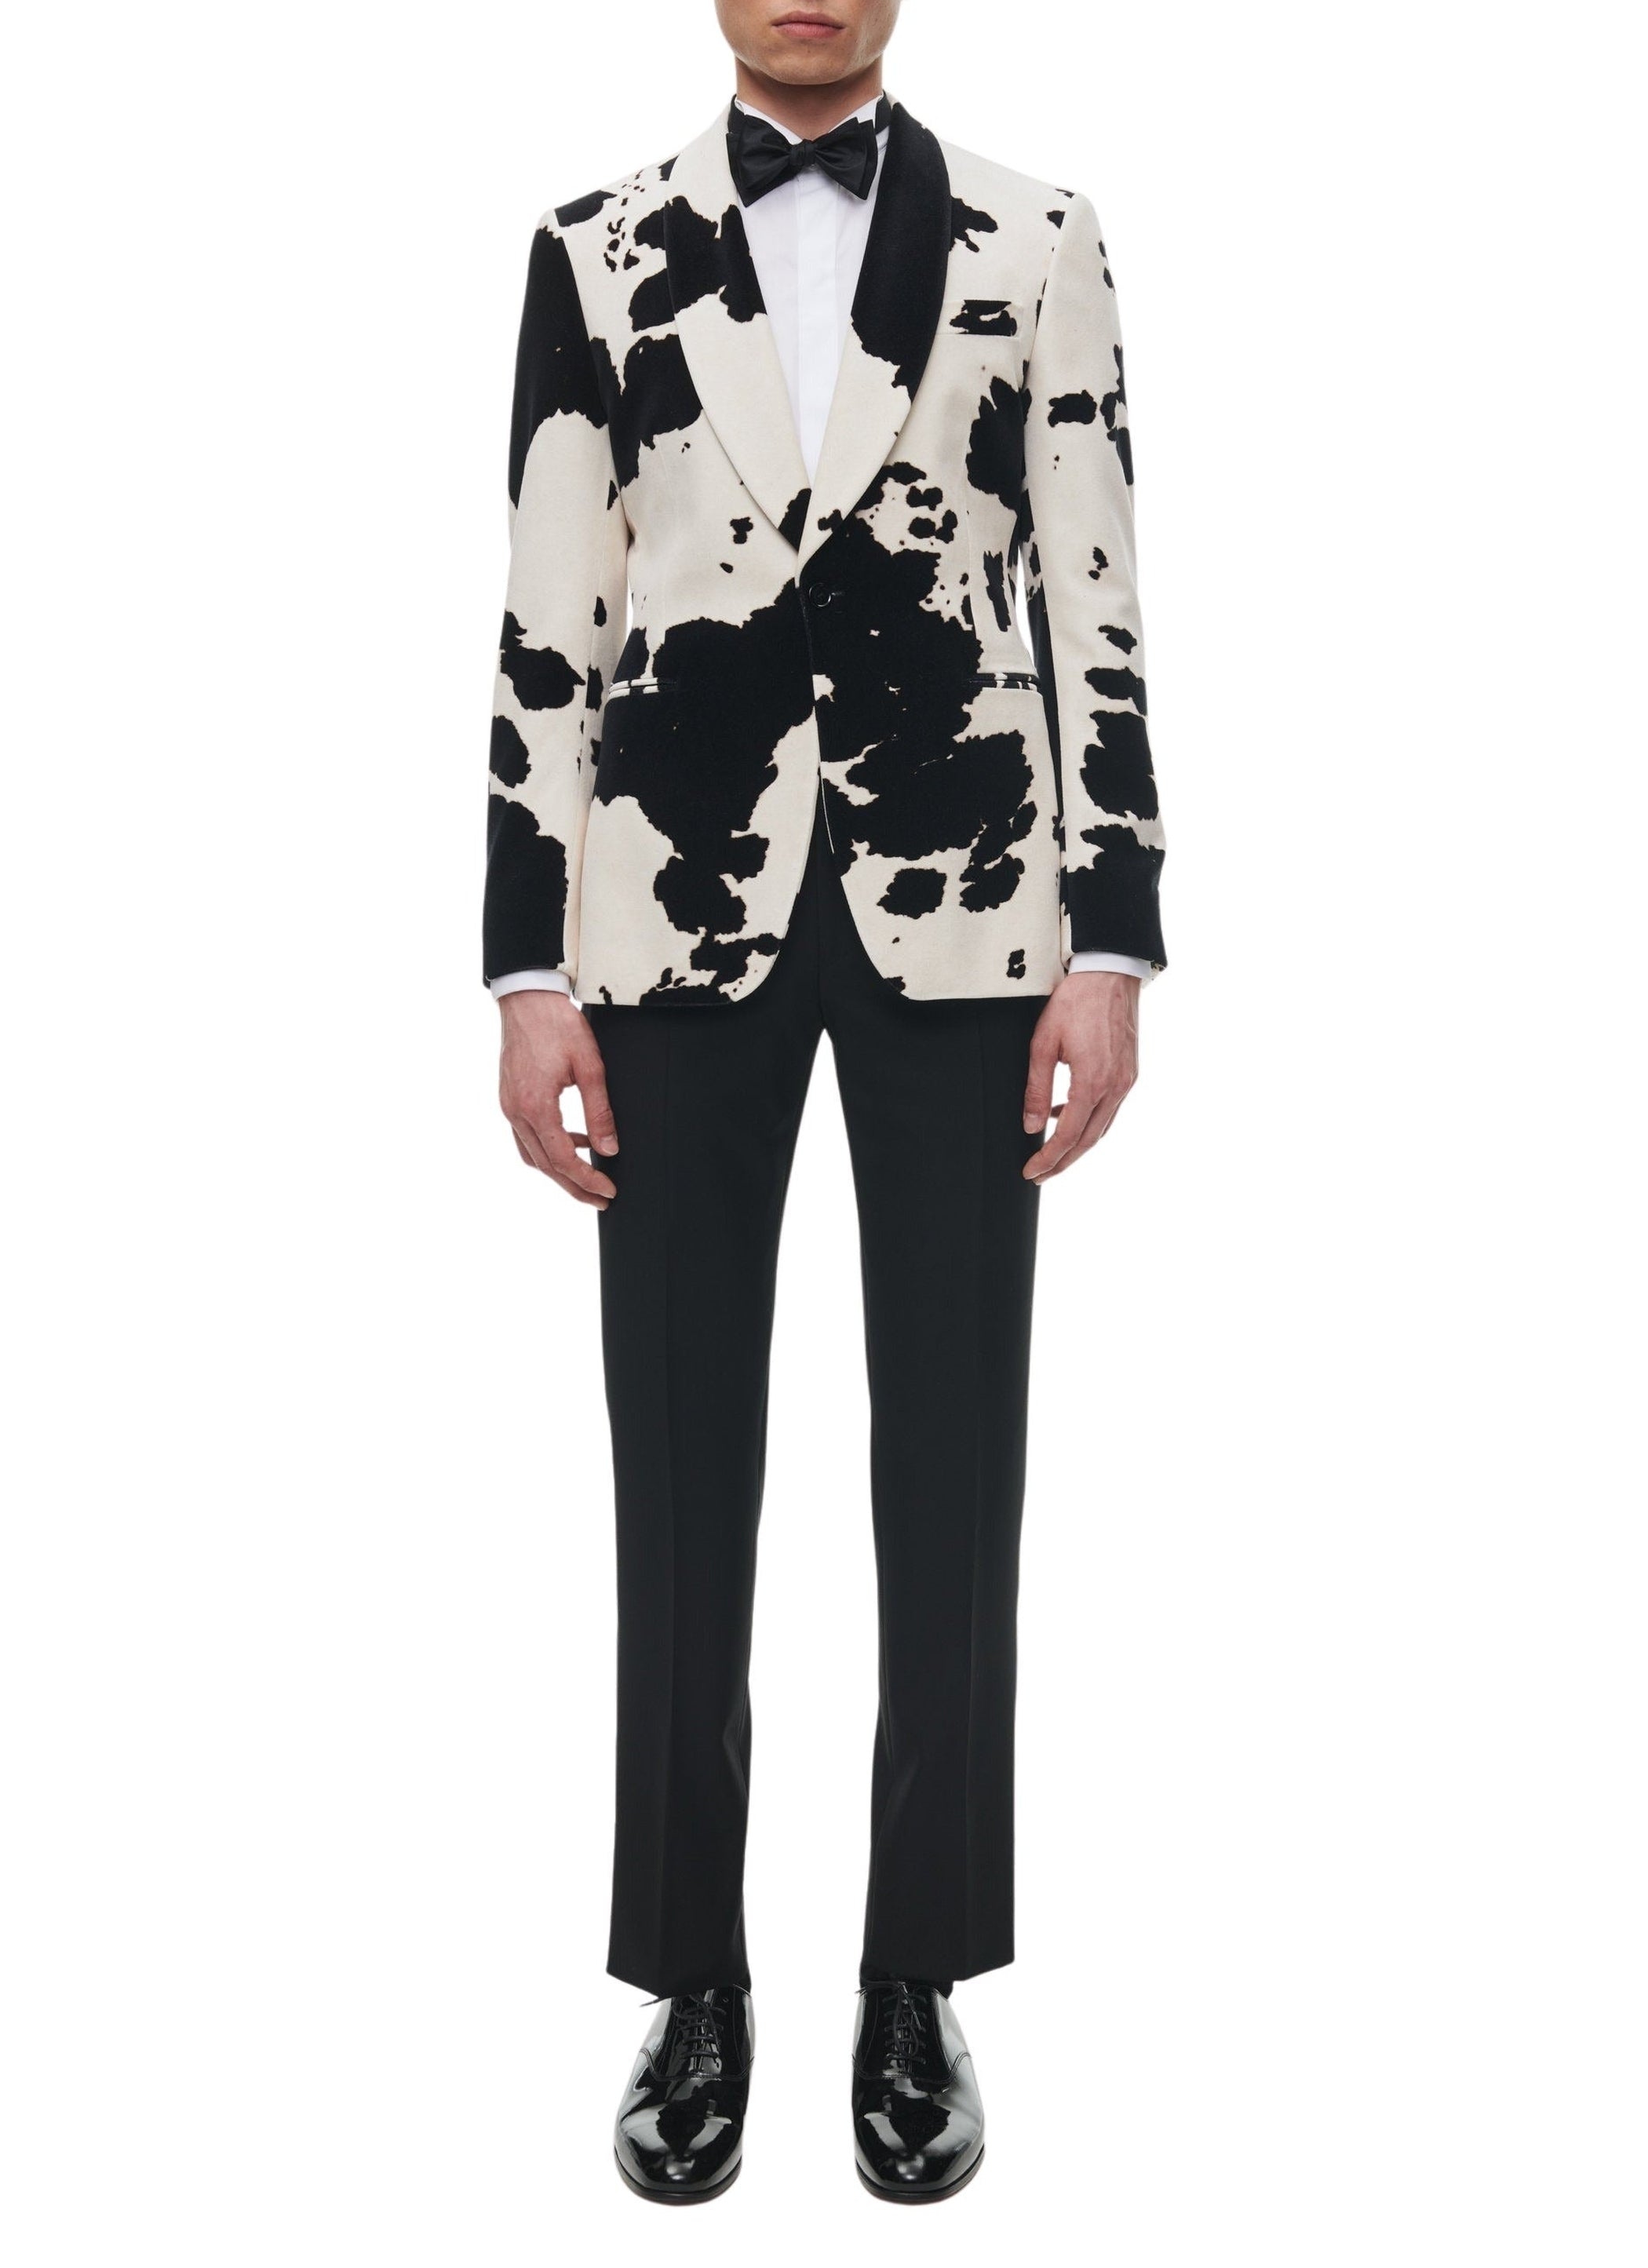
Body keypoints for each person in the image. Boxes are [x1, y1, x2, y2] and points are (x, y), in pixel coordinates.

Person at [483, 0, 1165, 2204]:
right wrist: (524, 968)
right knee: (678, 1470)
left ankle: (915, 1971)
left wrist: (1114, 939)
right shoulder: (594, 250)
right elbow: (550, 606)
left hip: (966, 915)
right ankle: (692, 1977)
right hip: (667, 923)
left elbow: (1092, 589)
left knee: (954, 1463)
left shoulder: (1036, 239)